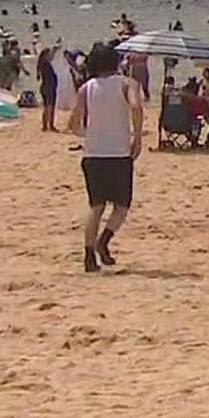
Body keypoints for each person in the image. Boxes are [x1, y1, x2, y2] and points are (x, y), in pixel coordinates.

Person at [70, 45, 144, 272]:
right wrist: (137, 136)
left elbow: (73, 124)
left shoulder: (86, 88)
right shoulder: (127, 83)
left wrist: (89, 132)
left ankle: (88, 254)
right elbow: (136, 107)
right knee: (121, 207)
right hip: (118, 153)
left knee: (96, 206)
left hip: (93, 153)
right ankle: (104, 240)